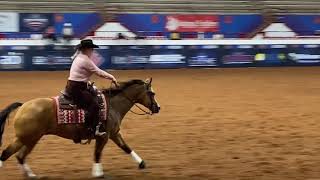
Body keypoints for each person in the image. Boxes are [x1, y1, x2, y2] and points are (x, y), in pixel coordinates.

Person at [65, 39, 117, 136]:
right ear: (86, 49)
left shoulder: (79, 57)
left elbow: (81, 75)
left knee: (95, 95)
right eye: (91, 49)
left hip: (75, 85)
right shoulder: (85, 60)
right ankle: (90, 128)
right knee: (94, 106)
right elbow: (98, 72)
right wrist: (111, 77)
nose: (92, 51)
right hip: (77, 88)